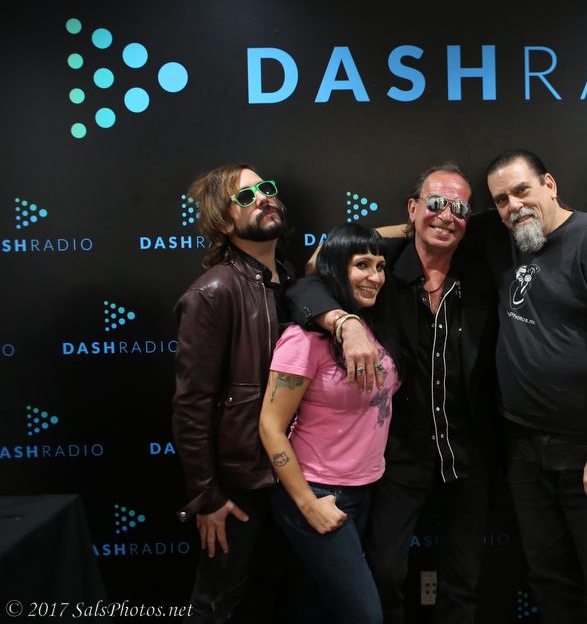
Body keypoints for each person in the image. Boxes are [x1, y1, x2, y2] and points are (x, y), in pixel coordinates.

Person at [288, 164, 498, 624]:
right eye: (435, 203)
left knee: (464, 582)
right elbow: (310, 276)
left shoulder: (483, 267)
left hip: (469, 453)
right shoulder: (382, 267)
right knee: (384, 572)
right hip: (399, 456)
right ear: (412, 208)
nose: (446, 215)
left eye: (458, 208)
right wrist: (344, 323)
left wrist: (433, 217)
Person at [481, 149, 587, 624]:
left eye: (522, 190)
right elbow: (431, 229)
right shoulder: (502, 236)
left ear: (549, 184)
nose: (513, 205)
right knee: (549, 582)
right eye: (501, 200)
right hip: (524, 450)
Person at [259, 223, 401, 623]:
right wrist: (308, 504)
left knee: (319, 608)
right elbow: (270, 426)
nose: (375, 277)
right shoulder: (304, 340)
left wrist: (414, 226)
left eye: (380, 266)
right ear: (337, 268)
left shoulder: (370, 325)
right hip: (317, 490)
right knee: (365, 615)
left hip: (363, 489)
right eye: (362, 265)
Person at [172, 165, 295, 623]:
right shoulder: (214, 291)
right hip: (240, 485)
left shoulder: (290, 278)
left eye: (266, 189)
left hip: (292, 472)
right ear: (224, 222)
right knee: (218, 603)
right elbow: (192, 404)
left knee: (276, 597)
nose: (263, 198)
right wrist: (206, 497)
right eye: (246, 197)